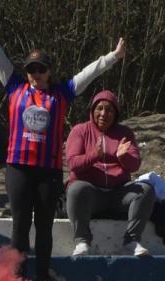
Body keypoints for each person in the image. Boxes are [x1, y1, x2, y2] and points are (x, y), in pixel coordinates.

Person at [0, 6, 124, 281]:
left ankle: (42, 276)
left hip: (48, 171)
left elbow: (87, 74)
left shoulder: (61, 93)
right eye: (31, 69)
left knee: (44, 226)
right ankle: (19, 276)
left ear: (49, 71)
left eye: (41, 69)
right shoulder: (16, 87)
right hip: (18, 167)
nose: (36, 74)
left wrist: (113, 57)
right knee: (20, 225)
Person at [64, 91, 154, 256]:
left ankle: (131, 241)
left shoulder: (125, 133)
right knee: (76, 189)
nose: (104, 114)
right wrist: (94, 155)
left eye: (109, 110)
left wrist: (123, 156)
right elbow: (73, 163)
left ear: (116, 114)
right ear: (92, 111)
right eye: (99, 108)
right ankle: (82, 241)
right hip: (91, 195)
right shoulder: (80, 131)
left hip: (118, 194)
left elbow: (135, 165)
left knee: (145, 190)